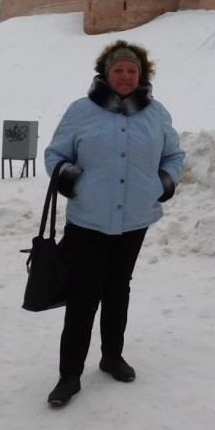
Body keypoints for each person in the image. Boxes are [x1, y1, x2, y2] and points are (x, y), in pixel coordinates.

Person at [42, 39, 185, 408]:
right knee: (83, 295)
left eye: (132, 70)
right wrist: (73, 181)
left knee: (118, 289)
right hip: (88, 218)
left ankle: (111, 357)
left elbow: (174, 155)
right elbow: (56, 154)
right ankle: (69, 375)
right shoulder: (81, 111)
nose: (125, 76)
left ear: (142, 75)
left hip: (135, 218)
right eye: (118, 69)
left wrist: (162, 183)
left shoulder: (157, 114)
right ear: (106, 74)